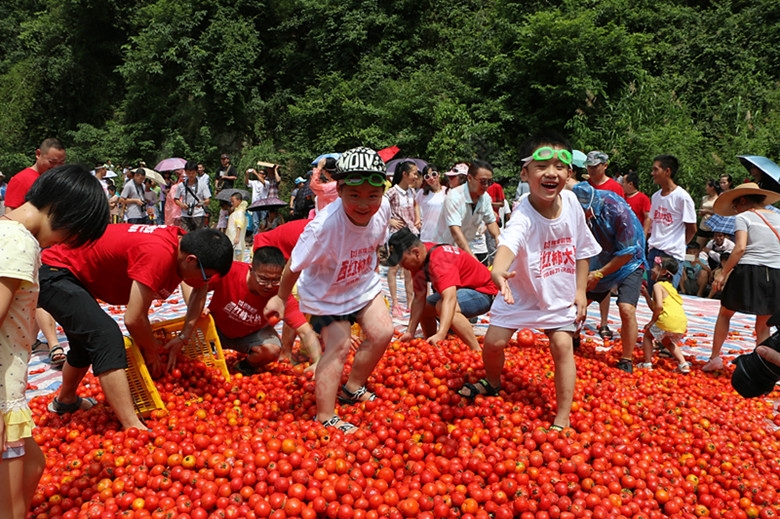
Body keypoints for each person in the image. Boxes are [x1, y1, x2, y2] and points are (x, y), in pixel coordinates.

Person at [458, 131, 601, 431]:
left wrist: (580, 292)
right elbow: (509, 243)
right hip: (521, 293)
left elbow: (584, 250)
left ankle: (562, 417)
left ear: (569, 173)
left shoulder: (573, 203)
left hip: (557, 295)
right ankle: (494, 381)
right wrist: (498, 270)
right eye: (542, 166)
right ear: (525, 173)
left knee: (562, 345)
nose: (551, 173)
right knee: (494, 343)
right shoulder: (523, 212)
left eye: (559, 167)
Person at [38, 225, 233, 430]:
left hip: (74, 274)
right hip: (57, 272)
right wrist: (152, 350)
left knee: (85, 343)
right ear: (190, 260)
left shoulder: (185, 244)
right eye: (206, 275)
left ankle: (65, 401)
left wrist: (184, 336)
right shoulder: (159, 254)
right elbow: (133, 318)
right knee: (106, 336)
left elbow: (199, 289)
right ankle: (132, 427)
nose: (206, 281)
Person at [1, 164, 108, 519]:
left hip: (9, 391)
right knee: (11, 505)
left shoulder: (6, 231)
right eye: (72, 233)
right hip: (2, 396)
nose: (64, 243)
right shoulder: (19, 242)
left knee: (33, 463)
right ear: (61, 212)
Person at [264, 147, 394, 434]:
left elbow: (374, 243)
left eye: (372, 196)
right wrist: (280, 297)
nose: (364, 204)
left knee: (384, 332)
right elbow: (294, 265)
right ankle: (325, 416)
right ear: (340, 191)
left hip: (361, 284)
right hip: (326, 295)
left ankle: (352, 387)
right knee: (339, 345)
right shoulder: (323, 227)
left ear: (382, 193)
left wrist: (370, 271)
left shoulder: (383, 209)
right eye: (354, 196)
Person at [186, 246, 321, 376]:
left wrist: (318, 362)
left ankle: (245, 366)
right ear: (251, 269)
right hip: (215, 328)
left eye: (275, 280)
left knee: (272, 350)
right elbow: (192, 283)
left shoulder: (281, 297)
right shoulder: (230, 271)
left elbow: (305, 331)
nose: (269, 285)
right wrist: (196, 308)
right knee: (188, 356)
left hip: (250, 335)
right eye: (263, 279)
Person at [703, 183, 780, 372]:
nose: (735, 210)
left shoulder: (744, 217)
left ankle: (715, 358)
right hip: (776, 272)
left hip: (750, 270)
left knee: (725, 313)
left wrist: (723, 273)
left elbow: (740, 248)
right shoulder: (778, 217)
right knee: (763, 325)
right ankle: (760, 367)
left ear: (743, 200)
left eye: (736, 205)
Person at [570, 182, 646, 373]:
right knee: (579, 299)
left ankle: (626, 359)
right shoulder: (574, 210)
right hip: (598, 258)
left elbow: (627, 252)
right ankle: (573, 337)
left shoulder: (616, 209)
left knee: (626, 309)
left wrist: (600, 273)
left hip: (629, 262)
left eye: (586, 212)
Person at [390, 228, 497, 351]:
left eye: (403, 261)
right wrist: (410, 331)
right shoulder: (420, 260)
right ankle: (432, 346)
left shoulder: (439, 261)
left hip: (484, 292)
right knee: (424, 309)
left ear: (416, 252)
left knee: (442, 306)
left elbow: (450, 299)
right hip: (462, 289)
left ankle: (476, 351)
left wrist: (442, 332)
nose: (402, 266)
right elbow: (419, 298)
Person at [645, 154, 697, 290]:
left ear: (667, 171)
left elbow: (692, 228)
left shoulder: (682, 197)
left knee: (666, 298)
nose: (652, 173)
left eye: (656, 170)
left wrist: (679, 244)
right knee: (652, 296)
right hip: (654, 251)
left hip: (671, 255)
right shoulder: (656, 197)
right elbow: (651, 221)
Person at [434, 160, 500, 257]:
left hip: (465, 249)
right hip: (444, 250)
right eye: (483, 181)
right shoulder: (454, 197)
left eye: (489, 182)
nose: (486, 186)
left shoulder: (485, 197)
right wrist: (472, 259)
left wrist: (498, 238)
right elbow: (455, 231)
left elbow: (491, 221)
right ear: (469, 178)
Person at [638, 256, 691, 372]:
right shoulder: (670, 288)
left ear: (663, 272)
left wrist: (651, 322)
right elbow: (656, 307)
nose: (652, 269)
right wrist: (647, 295)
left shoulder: (658, 286)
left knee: (647, 335)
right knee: (668, 342)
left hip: (666, 320)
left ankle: (647, 363)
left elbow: (658, 307)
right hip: (680, 323)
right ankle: (683, 364)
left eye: (656, 267)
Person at [385, 161, 420, 317]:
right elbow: (379, 206)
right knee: (393, 268)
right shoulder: (392, 192)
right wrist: (389, 220)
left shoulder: (412, 192)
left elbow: (416, 205)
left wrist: (418, 219)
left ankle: (410, 303)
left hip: (411, 232)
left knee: (409, 270)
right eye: (414, 173)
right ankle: (395, 303)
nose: (416, 176)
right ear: (405, 174)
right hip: (396, 233)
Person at [4, 138, 66, 214]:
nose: (56, 167)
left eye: (61, 163)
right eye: (52, 162)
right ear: (38, 154)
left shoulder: (58, 180)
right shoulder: (21, 180)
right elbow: (10, 214)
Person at [174, 161, 211, 232]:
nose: (191, 175)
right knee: (186, 236)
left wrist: (201, 203)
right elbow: (176, 199)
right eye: (188, 173)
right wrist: (182, 205)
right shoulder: (181, 185)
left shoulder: (202, 184)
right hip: (185, 214)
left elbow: (208, 200)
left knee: (198, 236)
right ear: (185, 172)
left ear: (196, 172)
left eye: (193, 173)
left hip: (199, 214)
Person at [416, 165, 446, 242]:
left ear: (439, 174)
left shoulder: (447, 191)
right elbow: (415, 204)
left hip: (443, 236)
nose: (431, 178)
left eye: (434, 174)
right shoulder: (422, 193)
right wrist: (418, 218)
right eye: (427, 176)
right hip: (427, 235)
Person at [696, 179, 720, 248]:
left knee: (712, 248)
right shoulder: (704, 198)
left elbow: (720, 214)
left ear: (712, 187)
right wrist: (701, 213)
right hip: (703, 225)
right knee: (698, 247)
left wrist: (708, 212)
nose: (705, 188)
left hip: (713, 227)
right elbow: (701, 209)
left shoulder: (718, 199)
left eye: (707, 186)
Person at [226, 192, 248, 261]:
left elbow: (239, 225)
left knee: (237, 255)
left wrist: (237, 237)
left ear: (239, 201)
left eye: (233, 201)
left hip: (235, 237)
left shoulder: (240, 212)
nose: (232, 203)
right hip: (232, 236)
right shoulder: (236, 211)